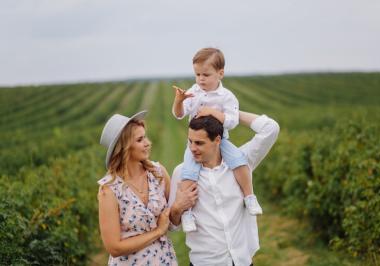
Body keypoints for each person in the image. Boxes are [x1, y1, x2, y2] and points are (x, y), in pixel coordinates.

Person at [168, 110, 280, 266]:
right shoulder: (181, 173)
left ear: (218, 140)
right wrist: (178, 207)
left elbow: (271, 128)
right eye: (190, 141)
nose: (192, 148)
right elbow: (172, 226)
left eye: (199, 143)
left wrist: (226, 115)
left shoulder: (241, 162)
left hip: (242, 261)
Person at [172, 47, 262, 232]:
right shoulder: (194, 91)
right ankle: (187, 213)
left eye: (206, 74)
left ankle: (249, 197)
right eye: (197, 74)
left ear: (220, 73)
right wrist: (179, 101)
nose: (201, 79)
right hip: (197, 139)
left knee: (239, 161)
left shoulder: (227, 97)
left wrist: (213, 112)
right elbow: (179, 115)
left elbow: (232, 121)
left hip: (221, 139)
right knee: (188, 171)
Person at [97, 110, 198, 265]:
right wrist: (157, 232)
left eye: (145, 137)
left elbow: (172, 223)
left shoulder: (158, 173)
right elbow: (114, 247)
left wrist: (178, 207)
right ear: (124, 148)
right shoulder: (109, 189)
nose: (147, 143)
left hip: (165, 260)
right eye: (140, 139)